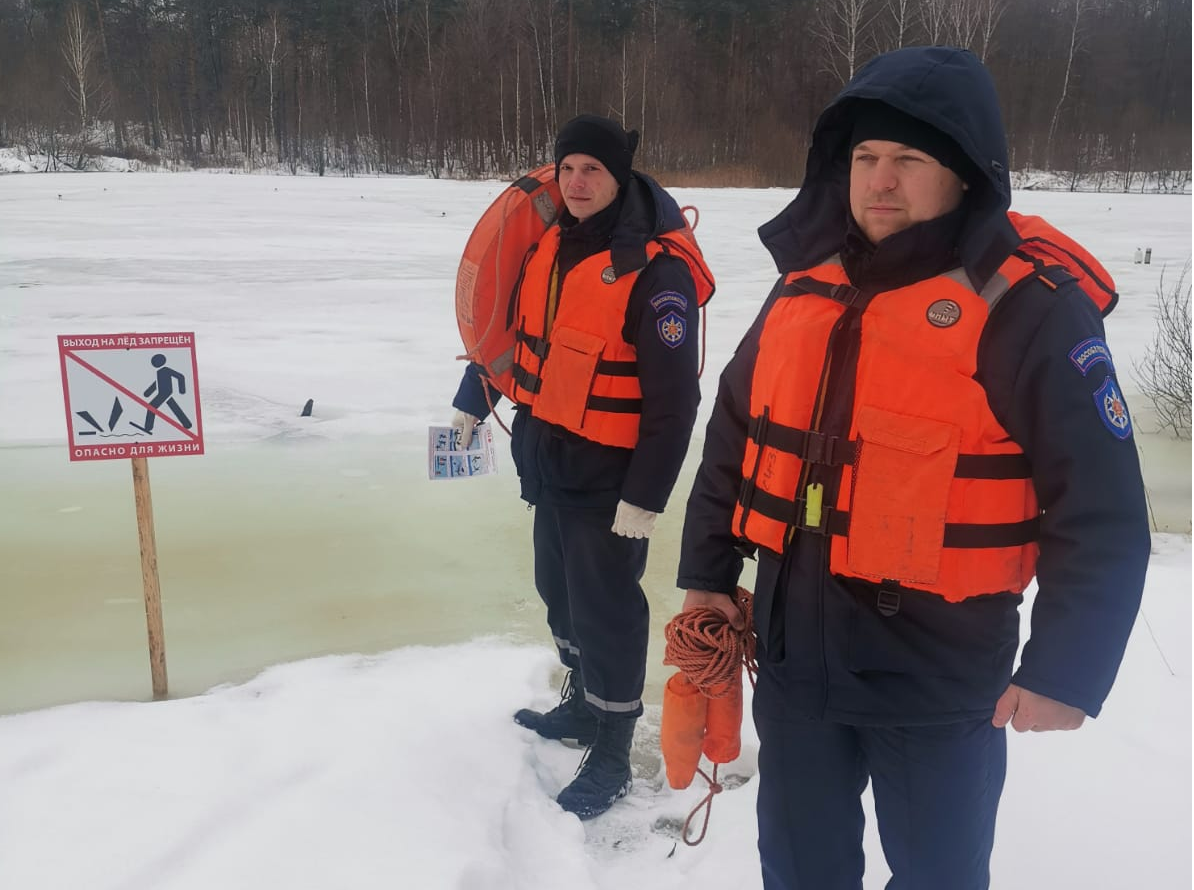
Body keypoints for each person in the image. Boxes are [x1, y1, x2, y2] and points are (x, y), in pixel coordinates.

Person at [676, 46, 1150, 889]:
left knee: (937, 876)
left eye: (908, 161)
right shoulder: (800, 293)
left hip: (938, 680)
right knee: (797, 869)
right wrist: (707, 574)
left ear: (965, 175)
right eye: (863, 159)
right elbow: (734, 437)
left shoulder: (1029, 309)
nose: (880, 182)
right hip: (794, 665)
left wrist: (1067, 672)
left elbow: (1102, 508)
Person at [451, 114, 715, 820]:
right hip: (549, 458)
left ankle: (613, 746)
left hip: (611, 477)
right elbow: (518, 341)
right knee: (558, 594)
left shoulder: (656, 275)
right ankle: (582, 703)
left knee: (606, 612)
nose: (577, 182)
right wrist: (471, 401)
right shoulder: (550, 246)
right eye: (567, 168)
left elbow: (674, 401)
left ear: (620, 174)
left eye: (592, 169)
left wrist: (646, 496)